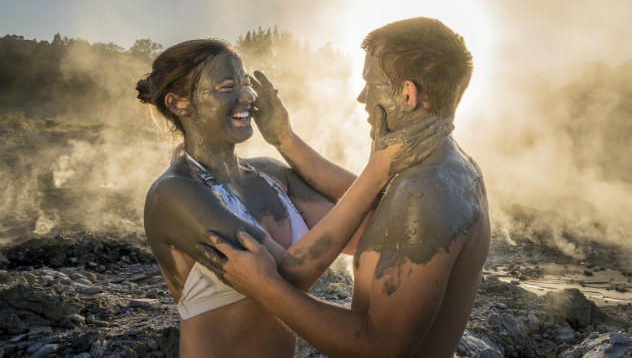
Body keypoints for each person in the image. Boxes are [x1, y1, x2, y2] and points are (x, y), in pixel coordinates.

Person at [200, 17, 491, 358]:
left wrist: (267, 289)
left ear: (407, 94)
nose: (361, 96)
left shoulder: (426, 193)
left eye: (371, 82)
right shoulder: (446, 164)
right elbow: (367, 196)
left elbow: (381, 348)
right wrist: (284, 139)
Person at [138, 39, 445, 358]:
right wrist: (376, 172)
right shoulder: (174, 193)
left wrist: (284, 138)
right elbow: (284, 278)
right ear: (179, 103)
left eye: (245, 83)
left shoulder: (271, 174)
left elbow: (380, 227)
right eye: (227, 86)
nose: (247, 95)